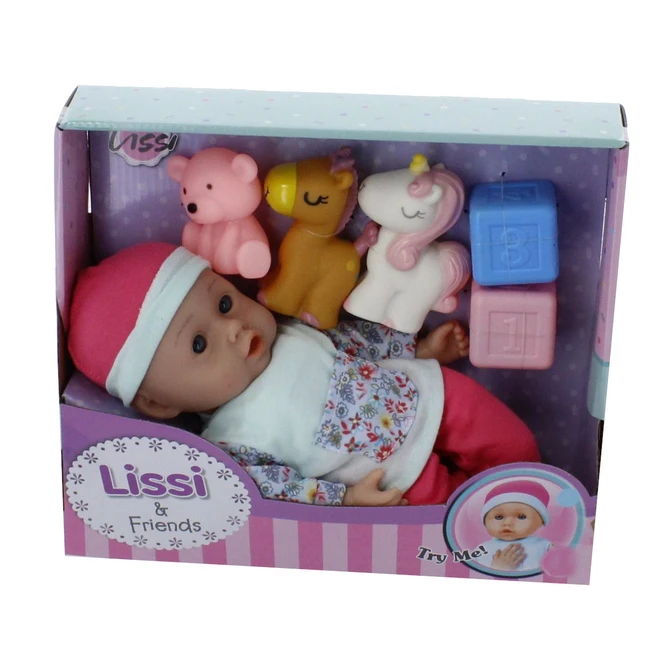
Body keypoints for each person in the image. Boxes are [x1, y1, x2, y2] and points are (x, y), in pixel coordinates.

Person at [68, 242, 540, 507]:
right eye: (199, 344)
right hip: (393, 478)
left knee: (512, 443)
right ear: (160, 403)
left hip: (426, 394)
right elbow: (279, 489)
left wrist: (418, 349)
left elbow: (351, 342)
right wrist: (345, 500)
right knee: (476, 513)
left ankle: (542, 486)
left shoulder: (288, 330)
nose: (233, 328)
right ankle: (527, 524)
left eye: (225, 302)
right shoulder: (231, 443)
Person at [478, 480, 553, 572]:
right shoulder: (483, 549)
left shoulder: (544, 546)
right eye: (499, 517)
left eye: (521, 517)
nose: (507, 523)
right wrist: (498, 568)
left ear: (541, 521)